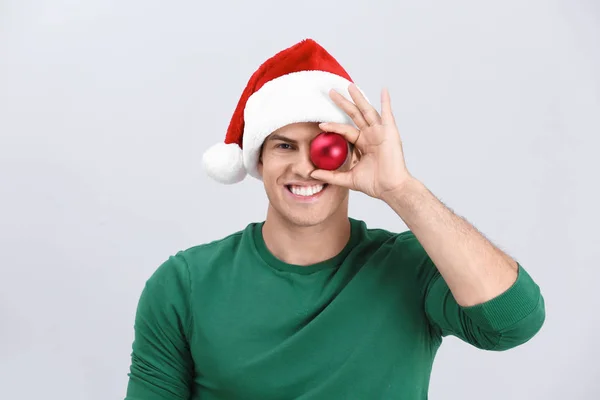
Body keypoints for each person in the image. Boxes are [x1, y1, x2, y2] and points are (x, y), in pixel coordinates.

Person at [124, 38, 545, 400]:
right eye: (284, 146)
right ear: (258, 159)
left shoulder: (412, 267)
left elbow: (514, 321)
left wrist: (401, 190)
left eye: (325, 145)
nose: (305, 167)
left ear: (352, 152)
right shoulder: (185, 284)